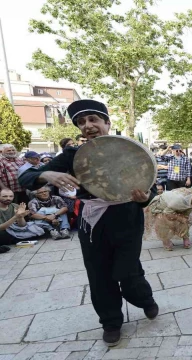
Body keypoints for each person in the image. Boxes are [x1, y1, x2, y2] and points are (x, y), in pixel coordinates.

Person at [19, 99, 158, 346]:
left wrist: (145, 198)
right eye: (81, 122)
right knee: (99, 274)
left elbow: (151, 187)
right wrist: (45, 173)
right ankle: (111, 322)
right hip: (91, 222)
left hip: (126, 217)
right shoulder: (72, 155)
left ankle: (145, 299)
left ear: (107, 123)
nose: (88, 125)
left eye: (93, 119)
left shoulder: (127, 148)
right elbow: (27, 178)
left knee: (127, 272)